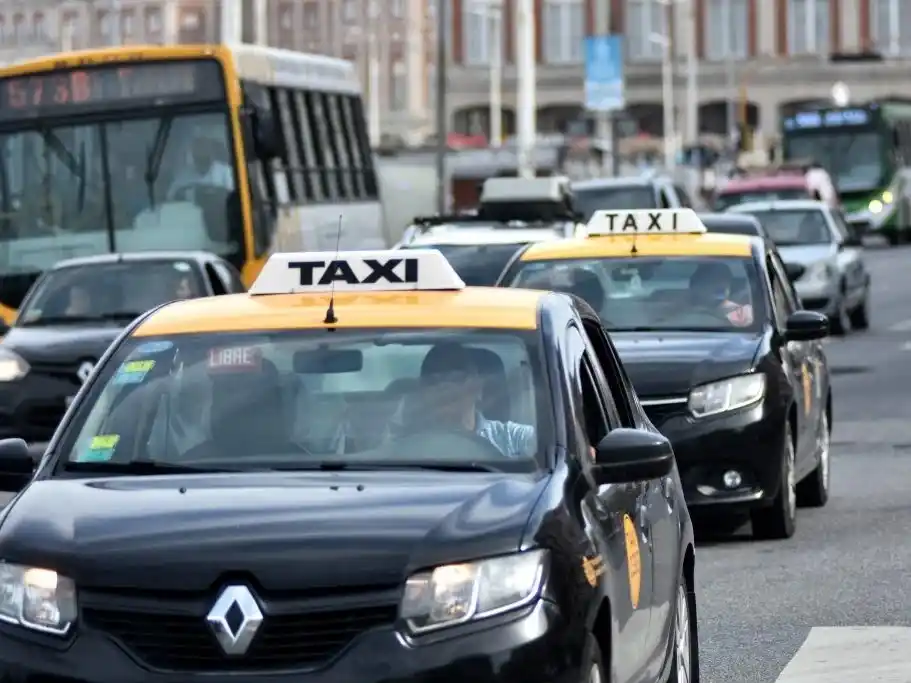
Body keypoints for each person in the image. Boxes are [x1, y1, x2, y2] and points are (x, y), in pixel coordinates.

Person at [409, 343, 536, 458]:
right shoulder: (406, 446)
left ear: (478, 387)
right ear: (422, 392)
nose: (445, 387)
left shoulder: (512, 439)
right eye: (434, 381)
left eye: (456, 378)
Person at [166, 132, 234, 201]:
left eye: (205, 159)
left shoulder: (225, 173)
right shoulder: (184, 175)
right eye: (199, 159)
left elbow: (233, 197)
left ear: (212, 156)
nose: (203, 163)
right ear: (194, 157)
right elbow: (170, 196)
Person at [689, 262, 753, 327]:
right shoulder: (690, 316)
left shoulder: (743, 312)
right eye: (712, 282)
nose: (720, 285)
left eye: (723, 280)